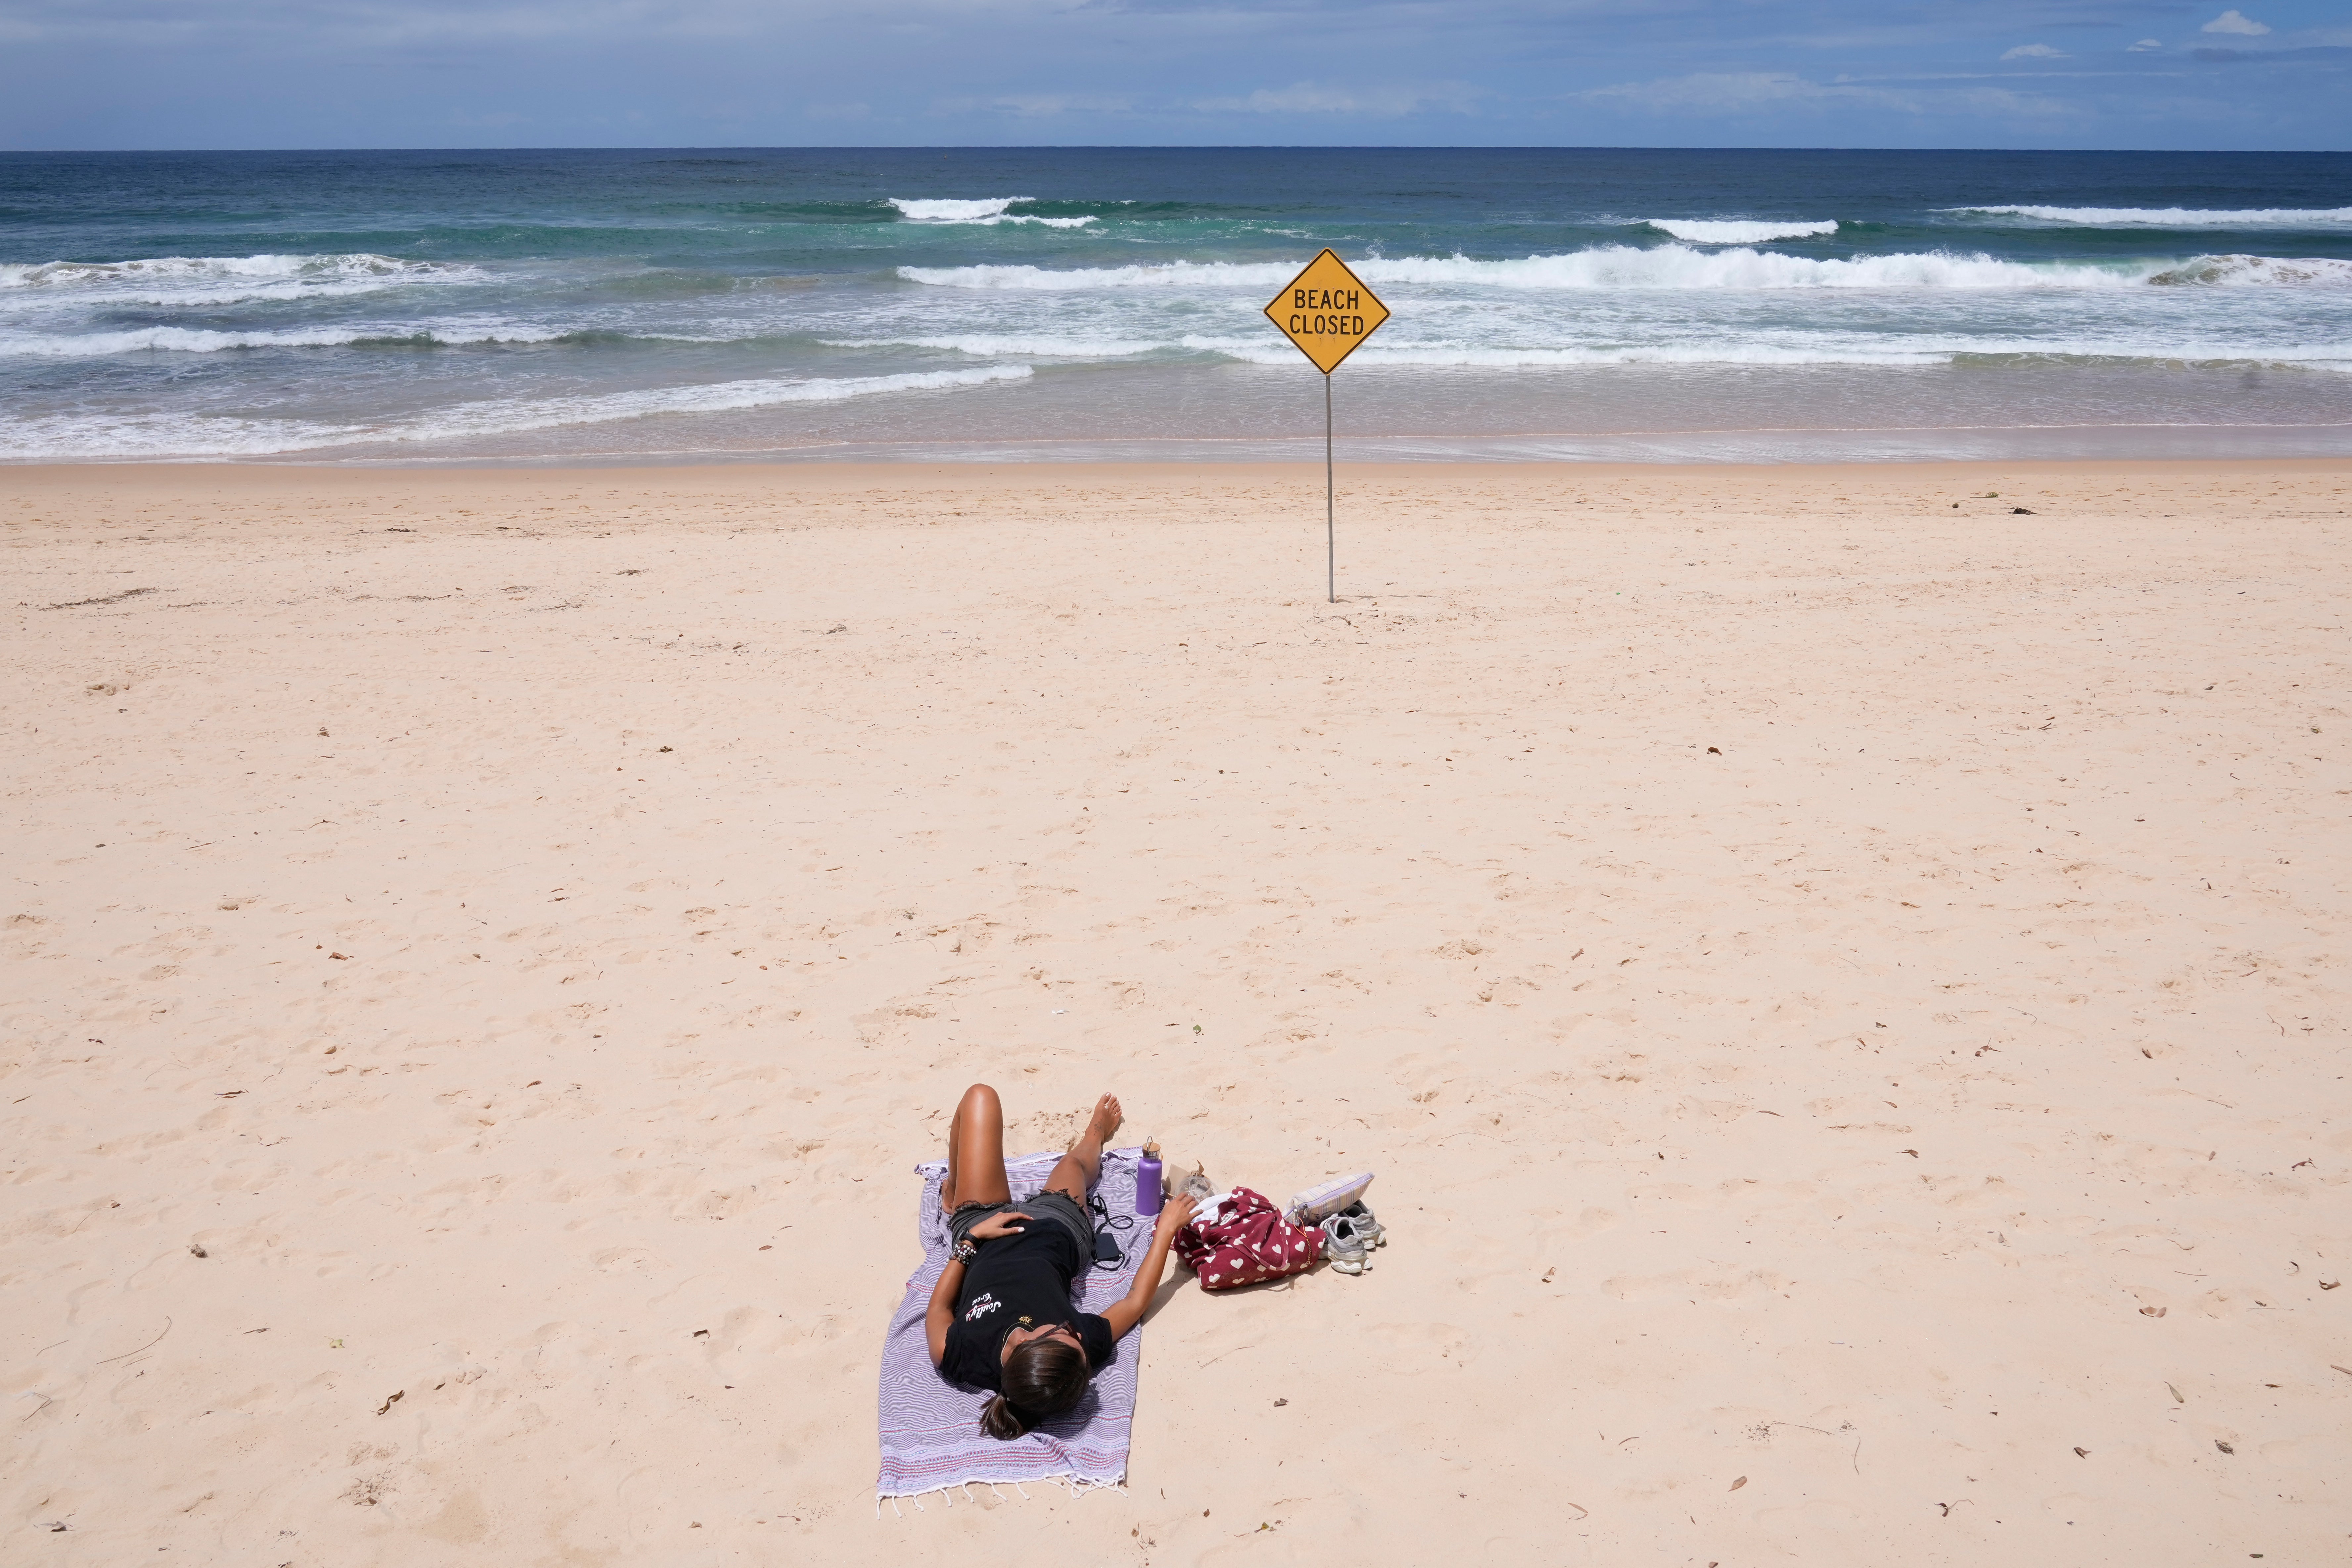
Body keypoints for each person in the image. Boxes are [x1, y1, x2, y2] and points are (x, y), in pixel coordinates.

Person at [926, 1083, 1197, 1439]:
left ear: (1023, 1344)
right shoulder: (1070, 1359)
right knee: (1071, 1163)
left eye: (1061, 1333)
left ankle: (954, 1188)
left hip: (981, 1228)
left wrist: (971, 1240)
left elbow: (939, 1308)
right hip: (1058, 1226)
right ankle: (1095, 1132)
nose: (1072, 1330)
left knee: (980, 1097)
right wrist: (1165, 1231)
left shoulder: (962, 1354)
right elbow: (1134, 1302)